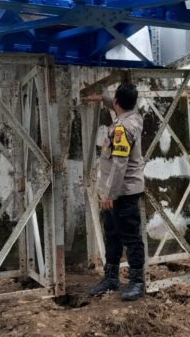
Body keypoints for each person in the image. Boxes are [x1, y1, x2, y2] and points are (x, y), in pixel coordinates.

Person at [82, 83, 146, 301]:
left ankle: (137, 283)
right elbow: (119, 105)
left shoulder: (121, 129)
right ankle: (111, 278)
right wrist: (103, 98)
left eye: (113, 100)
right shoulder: (134, 118)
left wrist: (110, 195)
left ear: (118, 102)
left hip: (121, 193)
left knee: (130, 237)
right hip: (121, 191)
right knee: (113, 235)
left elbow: (120, 164)